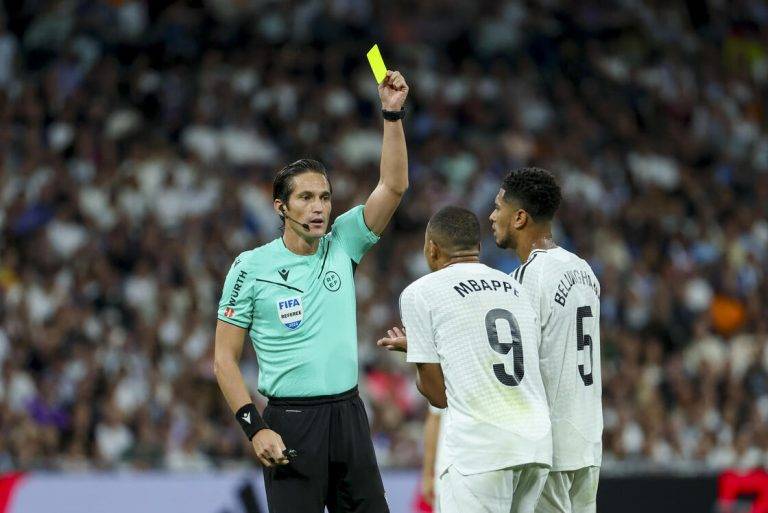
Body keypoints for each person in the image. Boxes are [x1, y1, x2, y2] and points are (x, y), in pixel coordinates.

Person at [213, 70, 410, 513]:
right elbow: (224, 359)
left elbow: (393, 186)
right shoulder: (250, 267)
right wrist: (254, 427)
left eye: (324, 197)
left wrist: (392, 114)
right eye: (305, 198)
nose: (318, 207)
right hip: (291, 423)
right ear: (281, 207)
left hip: (349, 416)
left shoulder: (344, 241)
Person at [396, 206, 552, 513]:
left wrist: (418, 354)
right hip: (536, 444)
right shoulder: (516, 288)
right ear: (479, 248)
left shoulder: (421, 292)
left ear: (432, 248)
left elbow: (438, 397)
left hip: (482, 450)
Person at [489, 167, 602, 513]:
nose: (492, 216)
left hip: (548, 449)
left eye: (499, 207)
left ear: (520, 217)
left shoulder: (526, 277)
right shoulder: (584, 268)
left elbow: (513, 367)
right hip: (587, 440)